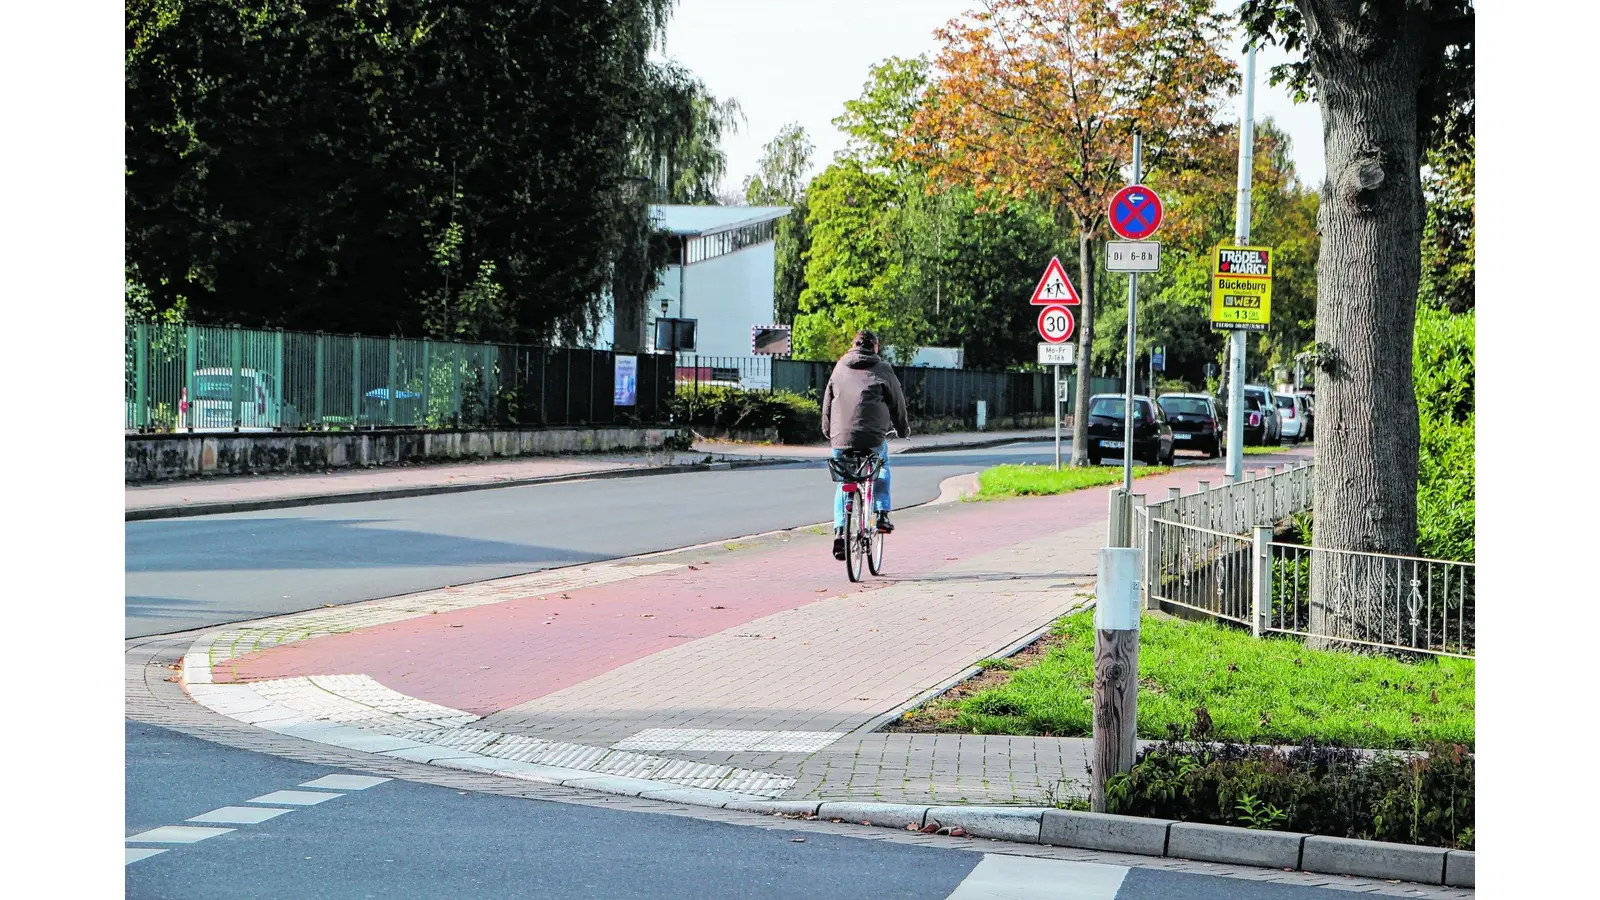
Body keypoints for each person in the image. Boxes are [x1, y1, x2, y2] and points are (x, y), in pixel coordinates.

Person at [821, 330, 911, 560]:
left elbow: (827, 402)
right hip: (872, 437)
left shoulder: (840, 366)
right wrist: (903, 429)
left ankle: (841, 531)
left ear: (853, 345)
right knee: (881, 467)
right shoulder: (882, 369)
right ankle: (881, 513)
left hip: (840, 437)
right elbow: (897, 403)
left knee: (844, 482)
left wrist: (827, 430)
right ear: (875, 347)